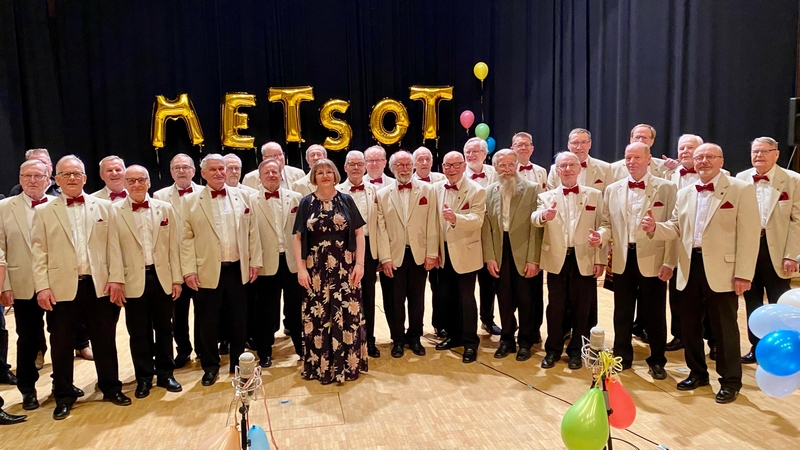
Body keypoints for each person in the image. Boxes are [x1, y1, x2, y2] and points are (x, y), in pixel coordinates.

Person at [643, 143, 759, 404]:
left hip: (723, 269)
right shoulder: (685, 193)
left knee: (724, 328)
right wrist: (654, 228)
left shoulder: (740, 189)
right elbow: (676, 227)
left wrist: (744, 273)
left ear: (721, 161)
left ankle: (730, 381)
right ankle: (697, 373)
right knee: (690, 326)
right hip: (689, 266)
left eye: (709, 157)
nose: (703, 161)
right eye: (699, 158)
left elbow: (749, 235)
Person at [31, 155, 130, 420]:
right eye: (66, 174)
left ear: (85, 178)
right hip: (61, 288)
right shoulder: (43, 211)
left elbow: (113, 247)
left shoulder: (105, 208)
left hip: (98, 286)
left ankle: (111, 387)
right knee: (61, 344)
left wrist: (116, 279)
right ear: (57, 179)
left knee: (105, 340)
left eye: (77, 173)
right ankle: (63, 395)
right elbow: (39, 253)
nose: (72, 178)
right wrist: (42, 287)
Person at [591, 142, 677, 379]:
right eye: (628, 157)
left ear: (649, 159)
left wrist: (669, 262)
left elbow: (675, 227)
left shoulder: (667, 188)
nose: (632, 162)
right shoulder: (613, 189)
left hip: (653, 258)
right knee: (622, 312)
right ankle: (622, 356)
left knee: (655, 313)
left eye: (637, 157)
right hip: (622, 257)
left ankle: (657, 360)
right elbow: (607, 224)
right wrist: (601, 236)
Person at [180, 154, 262, 386]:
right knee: (208, 322)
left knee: (239, 321)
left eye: (221, 169)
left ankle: (239, 364)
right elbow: (185, 239)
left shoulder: (243, 196)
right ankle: (210, 366)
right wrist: (188, 271)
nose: (218, 173)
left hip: (237, 268)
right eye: (213, 169)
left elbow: (253, 232)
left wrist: (255, 261)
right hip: (206, 270)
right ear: (203, 173)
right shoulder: (190, 201)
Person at [293, 159, 368, 384]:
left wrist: (360, 264)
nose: (325, 175)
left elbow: (359, 234)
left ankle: (347, 365)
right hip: (315, 270)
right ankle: (321, 367)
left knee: (348, 314)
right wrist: (301, 269)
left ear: (335, 175)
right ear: (313, 177)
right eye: (320, 172)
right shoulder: (306, 203)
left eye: (329, 171)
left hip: (345, 268)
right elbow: (298, 238)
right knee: (318, 315)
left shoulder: (346, 200)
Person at [533, 152, 606, 370]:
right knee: (555, 307)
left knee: (582, 308)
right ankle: (553, 350)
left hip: (584, 256)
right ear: (556, 170)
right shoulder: (546, 197)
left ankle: (577, 351)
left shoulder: (594, 195)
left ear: (579, 168)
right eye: (562, 166)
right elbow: (535, 219)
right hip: (557, 258)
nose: (567, 169)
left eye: (571, 165)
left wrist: (600, 257)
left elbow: (604, 225)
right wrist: (544, 216)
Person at [116, 165, 183, 398]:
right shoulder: (114, 211)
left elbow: (174, 247)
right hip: (132, 279)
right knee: (138, 332)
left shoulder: (165, 208)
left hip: (161, 277)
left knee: (165, 328)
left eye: (141, 179)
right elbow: (113, 251)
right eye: (131, 180)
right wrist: (117, 281)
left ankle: (166, 374)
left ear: (149, 182)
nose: (136, 184)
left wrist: (177, 279)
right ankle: (144, 378)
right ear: (125, 184)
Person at [0, 160, 61, 409]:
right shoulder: (4, 207)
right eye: (27, 176)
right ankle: (27, 389)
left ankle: (62, 384)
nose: (32, 180)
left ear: (48, 179)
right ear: (20, 178)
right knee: (27, 339)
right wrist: (4, 286)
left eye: (38, 176)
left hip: (57, 283)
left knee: (61, 337)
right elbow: (0, 249)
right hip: (22, 284)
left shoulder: (60, 204)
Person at [735, 137, 800, 364]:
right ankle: (756, 347)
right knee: (751, 300)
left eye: (764, 151)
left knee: (779, 301)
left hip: (778, 251)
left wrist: (791, 254)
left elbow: (798, 221)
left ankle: (785, 349)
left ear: (776, 154)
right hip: (748, 248)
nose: (759, 155)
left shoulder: (793, 180)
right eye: (755, 151)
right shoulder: (741, 178)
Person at [481, 149, 543, 361]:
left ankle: (525, 341)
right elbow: (486, 227)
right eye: (502, 165)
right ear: (495, 167)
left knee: (526, 299)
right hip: (500, 250)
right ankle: (506, 339)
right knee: (504, 299)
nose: (507, 169)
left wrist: (533, 259)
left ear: (517, 165)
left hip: (524, 251)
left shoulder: (532, 189)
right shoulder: (489, 191)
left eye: (510, 165)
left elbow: (536, 229)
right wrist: (490, 256)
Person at [376, 150, 438, 358]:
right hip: (394, 256)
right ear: (392, 168)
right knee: (394, 300)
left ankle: (415, 337)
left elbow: (433, 223)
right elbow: (381, 229)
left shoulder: (428, 190)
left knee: (417, 299)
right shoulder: (382, 194)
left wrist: (432, 253)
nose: (404, 169)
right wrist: (385, 258)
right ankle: (398, 340)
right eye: (399, 165)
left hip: (419, 253)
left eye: (407, 164)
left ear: (413, 166)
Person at [433, 151, 486, 363]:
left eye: (456, 165)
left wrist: (456, 218)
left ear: (464, 166)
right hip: (444, 252)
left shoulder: (476, 190)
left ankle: (471, 342)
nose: (452, 169)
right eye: (448, 165)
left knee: (466, 300)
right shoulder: (436, 188)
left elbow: (478, 220)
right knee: (446, 297)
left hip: (466, 252)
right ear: (442, 168)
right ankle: (454, 336)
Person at [251, 160, 304, 367]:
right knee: (265, 311)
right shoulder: (250, 200)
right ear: (260, 177)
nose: (272, 175)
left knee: (296, 308)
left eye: (275, 171)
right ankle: (264, 352)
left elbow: (303, 232)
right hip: (265, 263)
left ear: (281, 175)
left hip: (292, 261)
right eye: (267, 172)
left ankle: (302, 348)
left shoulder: (296, 198)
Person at [154, 153, 200, 368]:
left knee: (203, 311)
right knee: (177, 313)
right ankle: (183, 350)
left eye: (185, 167)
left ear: (193, 170)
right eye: (177, 168)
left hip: (199, 262)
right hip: (173, 264)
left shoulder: (204, 193)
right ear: (171, 172)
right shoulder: (159, 196)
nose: (181, 171)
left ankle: (203, 348)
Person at [336, 150, 383, 358]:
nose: (356, 168)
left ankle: (369, 340)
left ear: (365, 167)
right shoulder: (336, 191)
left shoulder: (375, 191)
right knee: (346, 296)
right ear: (345, 167)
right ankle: (348, 340)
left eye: (359, 164)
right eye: (352, 164)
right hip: (344, 250)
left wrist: (381, 254)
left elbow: (380, 224)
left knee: (368, 295)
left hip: (369, 248)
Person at [463, 138, 500, 336]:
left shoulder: (496, 173)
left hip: (490, 236)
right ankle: (464, 324)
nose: (471, 155)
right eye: (468, 152)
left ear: (485, 154)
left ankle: (487, 319)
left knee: (489, 283)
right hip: (466, 236)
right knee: (466, 286)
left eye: (475, 151)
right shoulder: (458, 174)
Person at [547, 128, 612, 193]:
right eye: (575, 143)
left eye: (583, 142)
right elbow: (550, 196)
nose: (579, 147)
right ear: (568, 145)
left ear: (590, 144)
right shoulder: (555, 169)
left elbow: (609, 196)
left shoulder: (605, 168)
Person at [609, 124, 679, 180]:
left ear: (652, 141)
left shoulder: (664, 166)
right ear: (631, 139)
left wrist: (676, 168)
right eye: (637, 137)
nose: (640, 140)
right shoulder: (612, 169)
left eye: (644, 138)